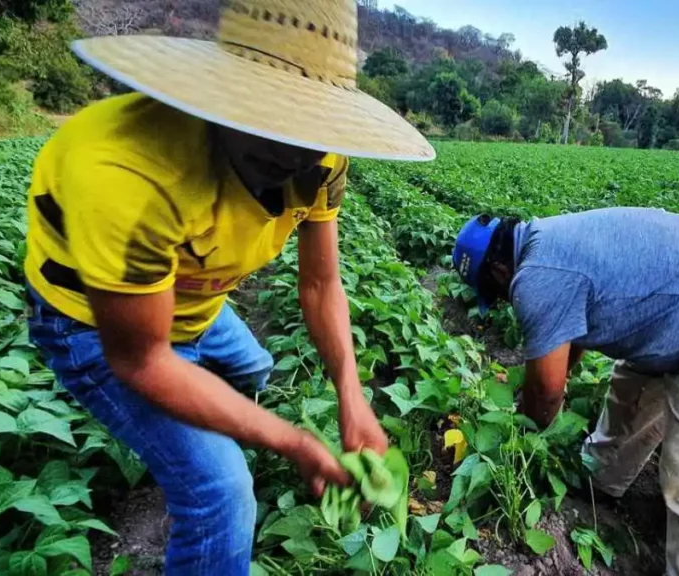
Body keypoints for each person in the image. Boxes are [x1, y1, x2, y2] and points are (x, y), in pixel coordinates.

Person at [23, 1, 434, 574]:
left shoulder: (321, 158)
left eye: (311, 127)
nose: (293, 152)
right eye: (272, 121)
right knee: (222, 496)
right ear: (223, 94)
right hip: (91, 321)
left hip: (193, 300)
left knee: (252, 370)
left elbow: (320, 285)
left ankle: (206, 430)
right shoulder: (129, 171)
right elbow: (143, 359)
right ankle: (197, 473)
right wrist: (292, 442)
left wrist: (351, 393)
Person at [452, 207, 679, 575]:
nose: (505, 302)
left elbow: (546, 392)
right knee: (630, 393)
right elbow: (572, 334)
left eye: (496, 295)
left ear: (498, 271)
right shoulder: (547, 242)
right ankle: (599, 483)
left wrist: (526, 436)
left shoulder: (537, 278)